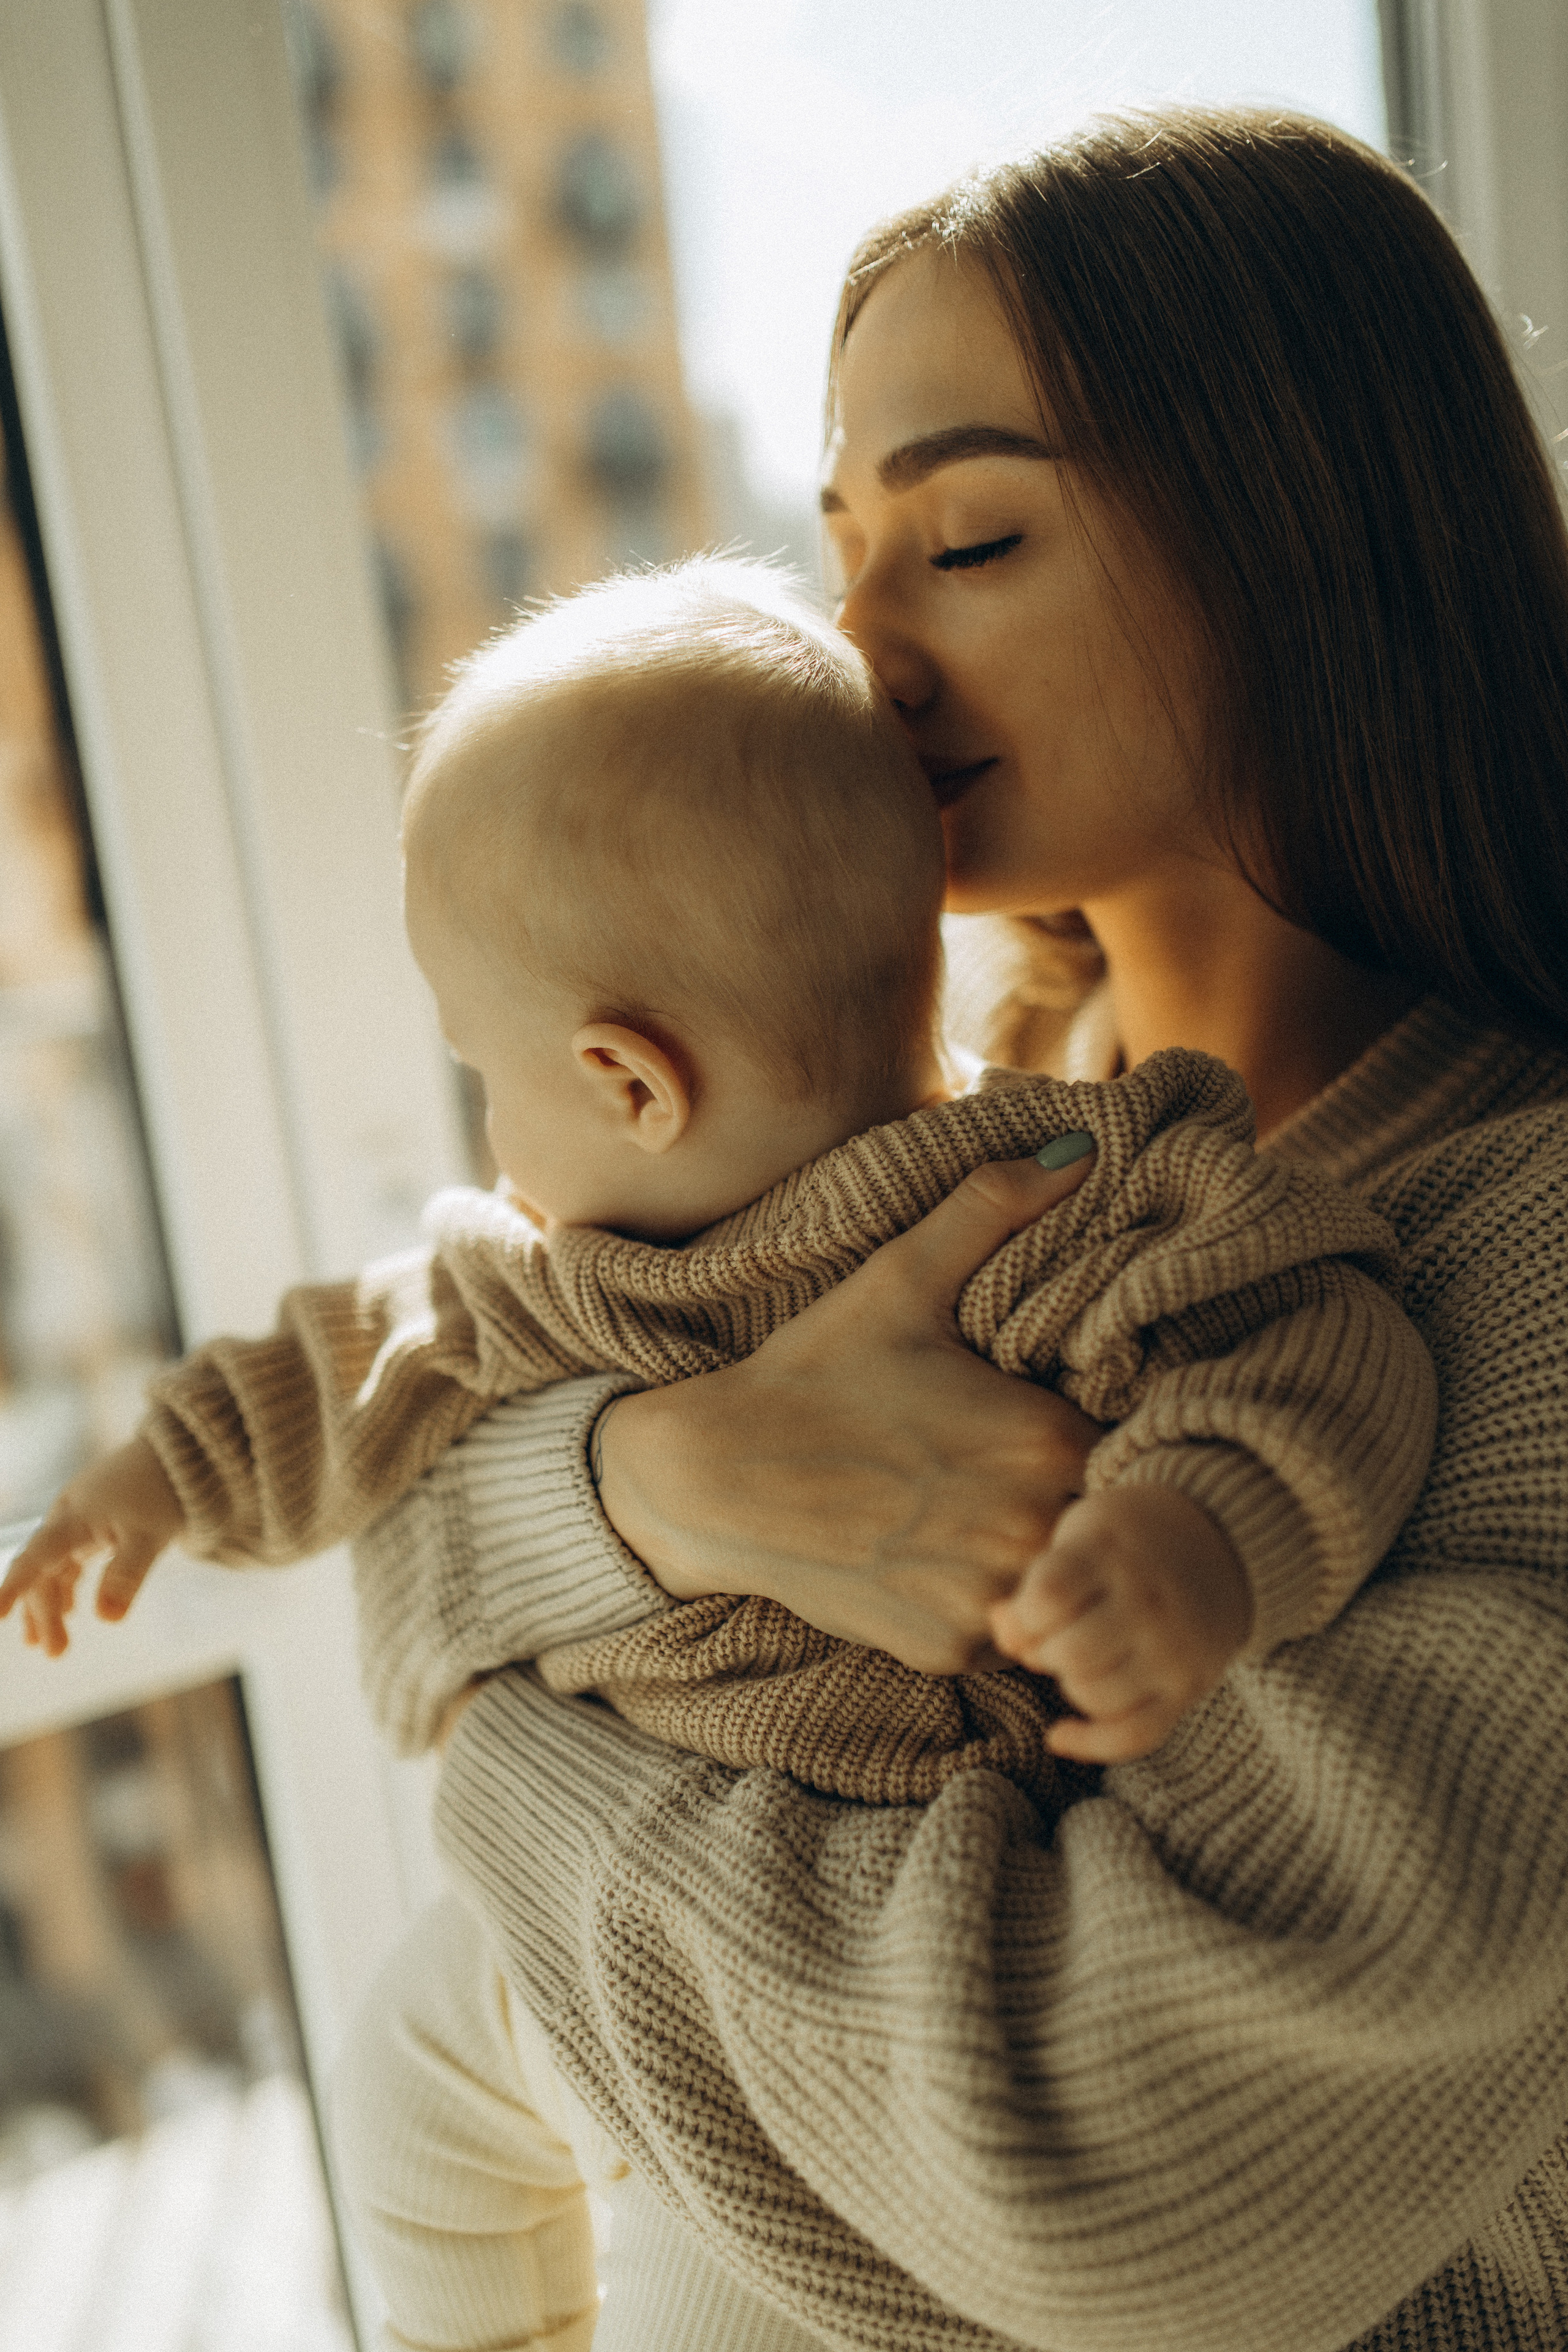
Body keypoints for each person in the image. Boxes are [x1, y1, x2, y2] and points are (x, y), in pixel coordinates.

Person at [341, 105, 1568, 2352]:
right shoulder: (950, 1151)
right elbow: (409, 1550)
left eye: (971, 538)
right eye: (846, 545)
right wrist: (656, 1486)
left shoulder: (1529, 1264)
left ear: (1309, 544)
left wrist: (529, 1767)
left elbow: (1122, 2181)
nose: (859, 647)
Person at [0, 550, 1434, 2350]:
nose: (487, 1137)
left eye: (484, 1070)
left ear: (625, 1080)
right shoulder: (545, 1279)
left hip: (867, 1965)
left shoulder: (1056, 1201)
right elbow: (340, 1366)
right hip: (611, 1917)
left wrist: (1207, 1541)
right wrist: (159, 1476)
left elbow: (1317, 1332)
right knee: (402, 2078)